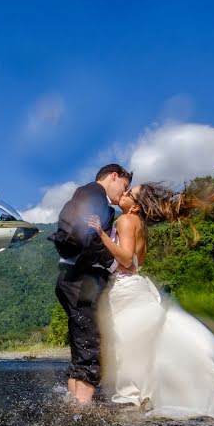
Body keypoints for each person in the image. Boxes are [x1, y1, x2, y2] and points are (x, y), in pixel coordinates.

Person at [87, 182, 214, 422]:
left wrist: (100, 234)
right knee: (148, 346)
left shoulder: (125, 221)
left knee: (127, 345)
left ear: (137, 207)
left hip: (125, 288)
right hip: (138, 286)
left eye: (131, 193)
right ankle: (158, 393)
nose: (125, 194)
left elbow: (127, 260)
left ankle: (135, 397)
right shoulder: (140, 225)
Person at [50, 164, 133, 405]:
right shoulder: (95, 196)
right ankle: (83, 413)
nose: (123, 193)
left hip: (70, 277)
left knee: (80, 342)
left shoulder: (84, 194)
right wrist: (112, 263)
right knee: (90, 344)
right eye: (124, 186)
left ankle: (73, 403)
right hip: (82, 279)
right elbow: (88, 235)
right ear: (114, 177)